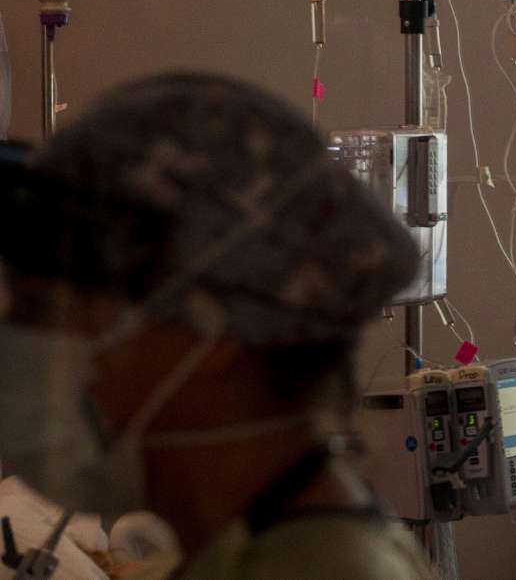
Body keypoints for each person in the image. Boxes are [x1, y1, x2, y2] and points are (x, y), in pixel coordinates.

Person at [0, 73, 436, 579]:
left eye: (77, 322)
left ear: (213, 337)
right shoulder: (246, 548)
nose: (62, 364)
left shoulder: (317, 569)